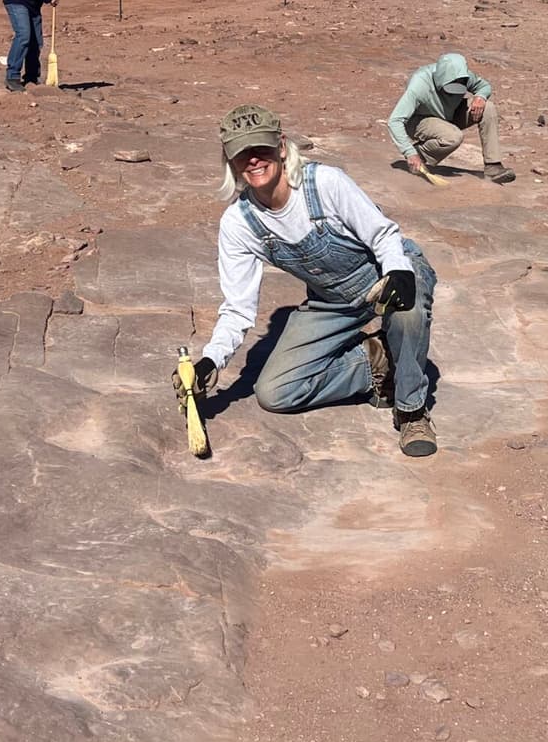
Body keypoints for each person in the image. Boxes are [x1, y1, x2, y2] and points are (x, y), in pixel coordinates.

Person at [185, 103, 441, 457]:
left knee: (407, 308)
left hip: (385, 275)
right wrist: (210, 361)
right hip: (332, 301)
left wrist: (398, 270)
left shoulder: (325, 183)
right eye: (242, 154)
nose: (254, 161)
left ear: (281, 145)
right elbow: (238, 309)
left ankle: (412, 410)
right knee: (275, 392)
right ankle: (381, 361)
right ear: (231, 161)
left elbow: (383, 235)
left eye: (260, 148)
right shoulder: (238, 224)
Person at [386, 52, 515, 184]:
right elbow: (395, 121)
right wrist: (409, 153)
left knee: (488, 108)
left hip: (449, 114)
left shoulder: (464, 77)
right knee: (453, 137)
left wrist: (480, 97)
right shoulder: (419, 84)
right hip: (421, 119)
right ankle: (419, 155)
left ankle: (493, 166)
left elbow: (484, 86)